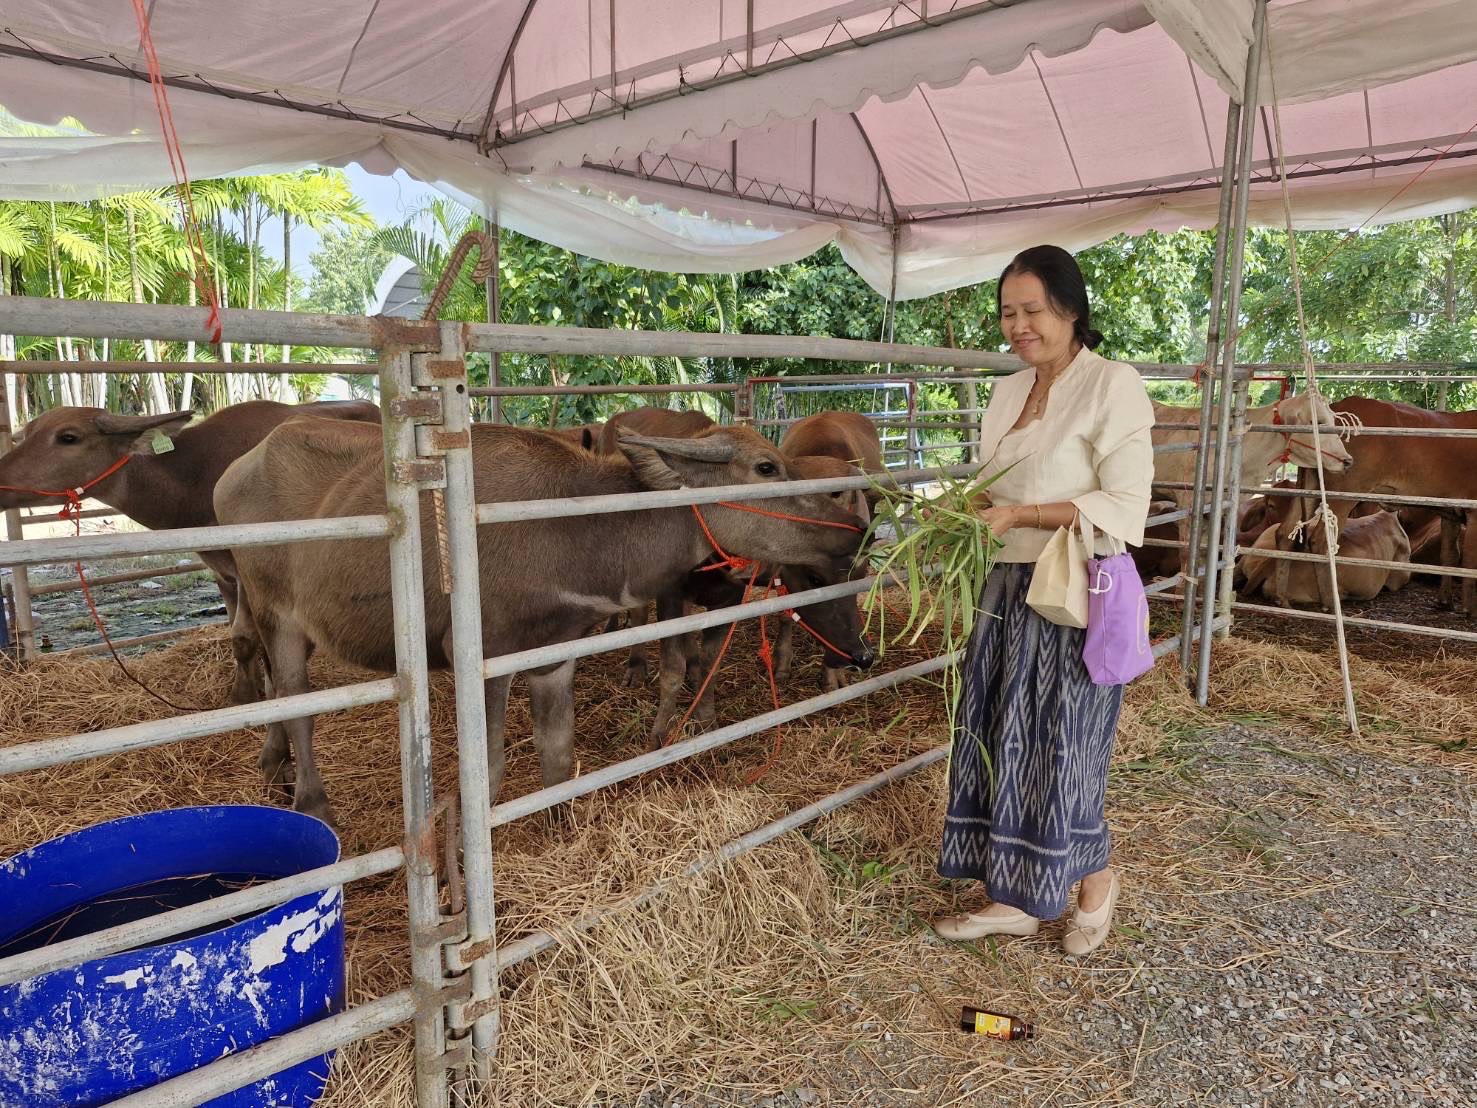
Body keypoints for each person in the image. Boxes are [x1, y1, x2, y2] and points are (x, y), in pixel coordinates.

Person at [932, 244, 1154, 956]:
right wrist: (969, 505)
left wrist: (1020, 517)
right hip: (1004, 585)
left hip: (1070, 593)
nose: (1017, 325)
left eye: (1032, 310)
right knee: (998, 737)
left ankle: (1093, 882)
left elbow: (1125, 504)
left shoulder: (1111, 385)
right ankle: (1011, 897)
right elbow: (1001, 483)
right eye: (1006, 313)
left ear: (1071, 309)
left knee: (1062, 744)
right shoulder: (1006, 390)